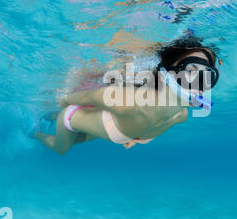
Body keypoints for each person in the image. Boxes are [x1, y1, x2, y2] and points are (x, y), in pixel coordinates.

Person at [31, 35, 220, 154]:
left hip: (116, 127)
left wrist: (137, 137)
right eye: (191, 71)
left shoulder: (181, 115)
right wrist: (63, 99)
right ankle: (36, 132)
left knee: (79, 137)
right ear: (166, 74)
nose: (199, 84)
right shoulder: (130, 104)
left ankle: (52, 116)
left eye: (206, 76)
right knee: (63, 148)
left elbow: (156, 122)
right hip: (75, 116)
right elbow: (89, 97)